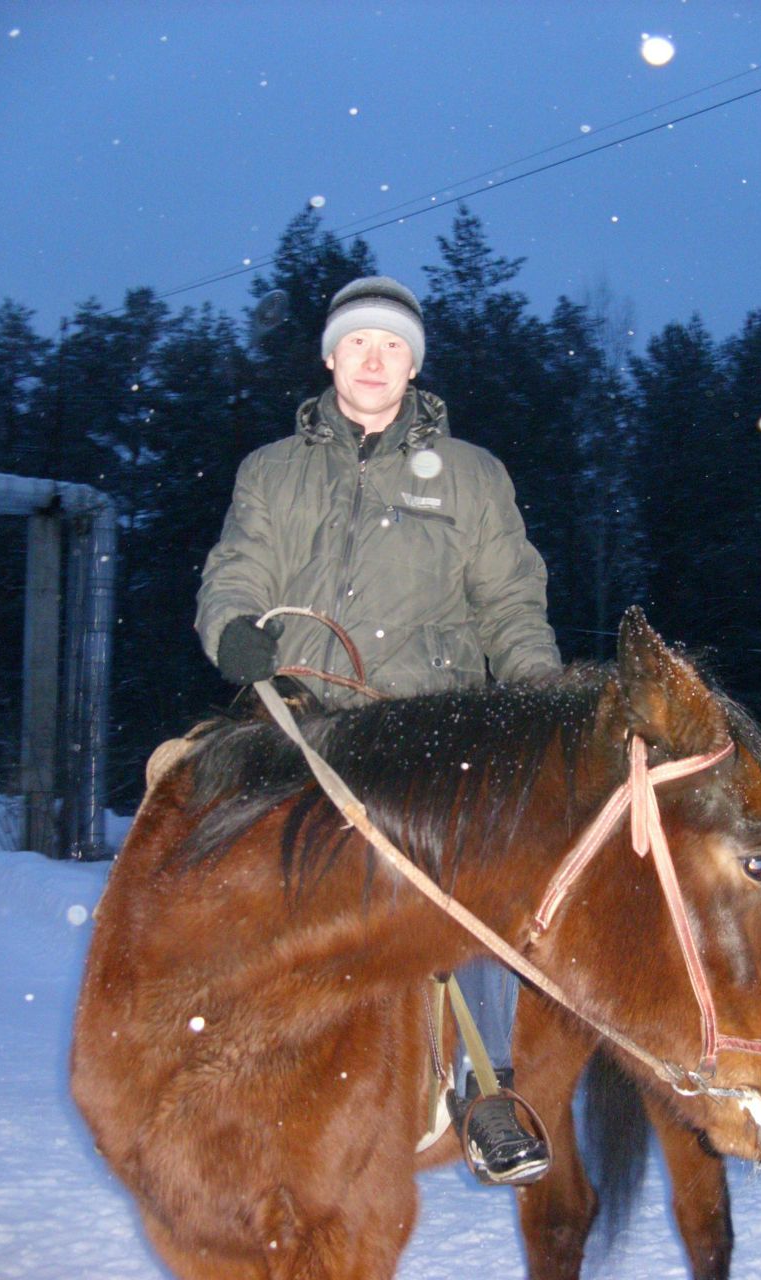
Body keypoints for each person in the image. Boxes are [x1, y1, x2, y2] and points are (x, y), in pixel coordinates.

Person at [196, 276, 562, 1186]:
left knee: (468, 872)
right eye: (357, 341)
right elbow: (235, 572)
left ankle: (486, 1092)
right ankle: (221, 1065)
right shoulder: (272, 470)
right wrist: (233, 631)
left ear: (413, 363)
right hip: (302, 712)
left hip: (429, 724)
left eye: (392, 345)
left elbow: (510, 602)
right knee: (208, 839)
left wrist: (543, 697)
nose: (373, 357)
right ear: (329, 356)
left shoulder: (474, 475)